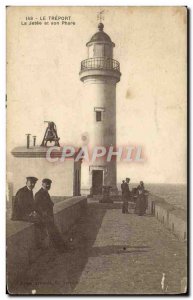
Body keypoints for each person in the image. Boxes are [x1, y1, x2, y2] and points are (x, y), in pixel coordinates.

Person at [34, 178, 70, 252]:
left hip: (49, 217)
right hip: (45, 218)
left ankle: (62, 248)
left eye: (49, 184)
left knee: (54, 233)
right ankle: (62, 249)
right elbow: (37, 207)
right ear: (42, 184)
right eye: (46, 184)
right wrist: (44, 214)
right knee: (54, 233)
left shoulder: (45, 192)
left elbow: (50, 203)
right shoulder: (39, 194)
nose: (48, 185)